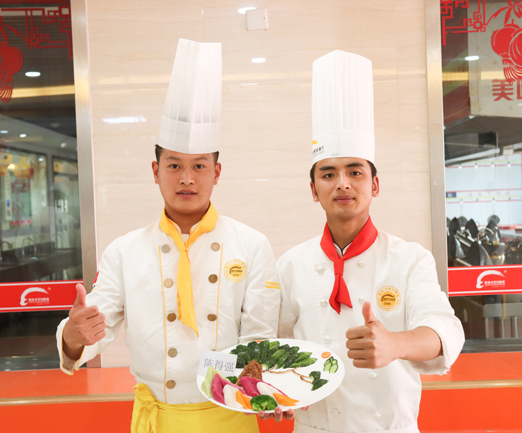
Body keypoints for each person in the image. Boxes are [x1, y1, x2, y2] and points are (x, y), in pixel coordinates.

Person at [56, 39, 282, 433]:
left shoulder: (252, 245)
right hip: (157, 419)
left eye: (199, 166)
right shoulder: (124, 252)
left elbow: (259, 338)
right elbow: (92, 328)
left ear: (217, 172)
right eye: (174, 165)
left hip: (230, 418)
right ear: (155, 171)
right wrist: (74, 336)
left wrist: (267, 387)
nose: (187, 178)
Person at [274, 50, 465, 433]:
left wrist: (396, 344)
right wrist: (275, 389)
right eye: (328, 174)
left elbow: (444, 329)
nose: (342, 183)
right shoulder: (290, 265)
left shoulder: (410, 259)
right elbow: (275, 346)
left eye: (355, 172)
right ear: (313, 190)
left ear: (374, 185)